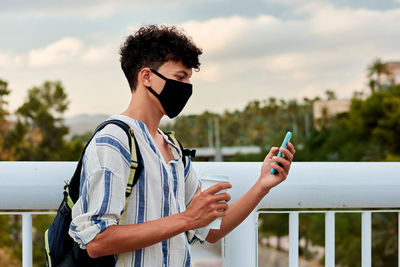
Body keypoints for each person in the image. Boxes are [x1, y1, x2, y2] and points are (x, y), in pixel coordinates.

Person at [69, 25, 295, 266]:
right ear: (146, 77)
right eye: (179, 77)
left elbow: (210, 231)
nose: (186, 87)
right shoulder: (114, 141)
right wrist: (187, 219)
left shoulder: (173, 148)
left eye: (188, 78)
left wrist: (262, 185)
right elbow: (98, 241)